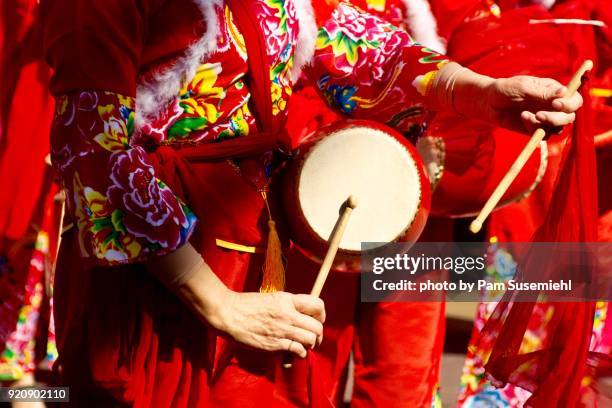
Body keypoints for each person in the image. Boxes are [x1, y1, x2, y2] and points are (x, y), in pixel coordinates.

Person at [40, 0, 582, 406]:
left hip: (266, 253)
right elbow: (94, 150)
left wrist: (483, 93)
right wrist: (218, 303)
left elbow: (367, 46)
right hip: (159, 278)